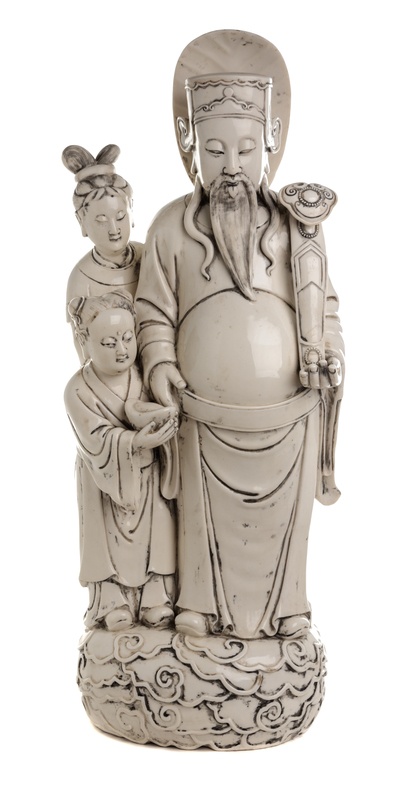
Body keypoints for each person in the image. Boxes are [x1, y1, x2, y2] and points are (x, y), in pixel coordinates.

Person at [135, 71, 344, 640]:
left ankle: (288, 607)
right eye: (214, 150)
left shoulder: (297, 229)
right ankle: (197, 606)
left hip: (289, 417)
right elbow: (152, 311)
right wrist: (161, 363)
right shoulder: (169, 229)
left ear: (270, 141)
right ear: (190, 147)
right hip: (201, 419)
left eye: (246, 150)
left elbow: (325, 309)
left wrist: (329, 353)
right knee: (199, 520)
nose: (231, 167)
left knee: (287, 523)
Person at [65, 290, 178, 632]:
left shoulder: (144, 376)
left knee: (159, 527)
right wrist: (133, 441)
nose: (122, 350)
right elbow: (95, 438)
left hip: (148, 473)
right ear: (86, 343)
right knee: (105, 539)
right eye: (109, 343)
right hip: (103, 477)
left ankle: (156, 596)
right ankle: (111, 600)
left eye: (128, 338)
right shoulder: (78, 390)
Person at [62, 144, 143, 362]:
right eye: (101, 220)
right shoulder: (81, 278)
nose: (114, 229)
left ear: (132, 210)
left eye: (120, 216)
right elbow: (83, 348)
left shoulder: (148, 255)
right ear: (81, 222)